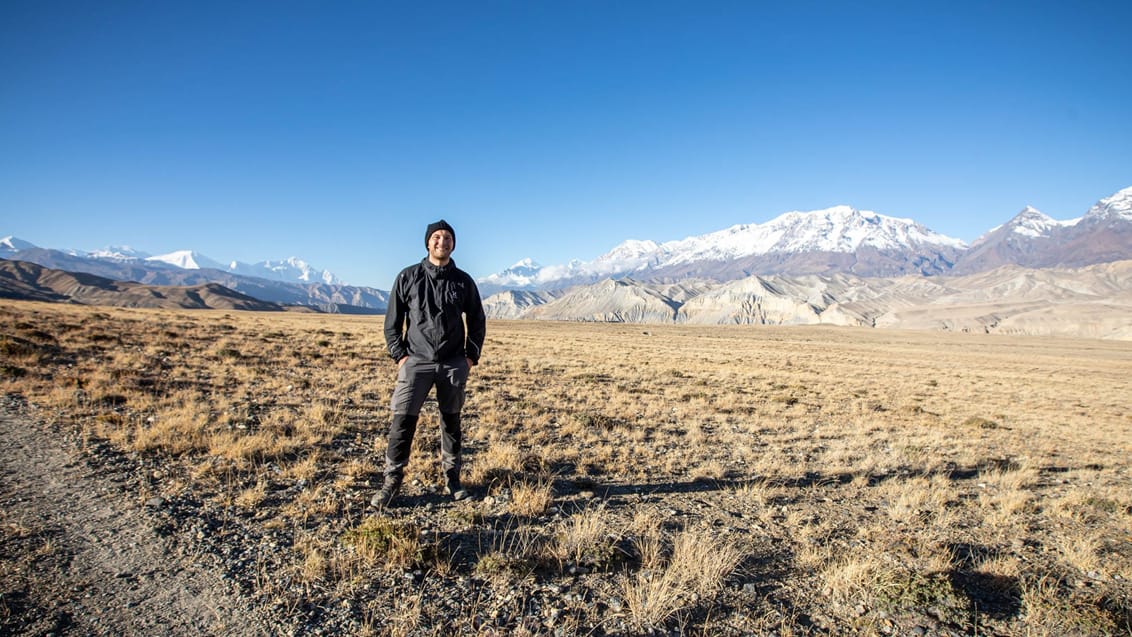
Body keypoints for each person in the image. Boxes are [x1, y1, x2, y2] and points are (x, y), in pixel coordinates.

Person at [372, 219, 486, 509]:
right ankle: (392, 482)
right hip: (416, 363)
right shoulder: (408, 277)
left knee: (451, 421)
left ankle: (453, 478)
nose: (442, 242)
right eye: (437, 237)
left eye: (448, 238)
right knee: (402, 420)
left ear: (453, 244)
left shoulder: (463, 281)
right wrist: (401, 356)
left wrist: (469, 357)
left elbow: (477, 320)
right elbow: (392, 324)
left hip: (452, 364)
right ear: (427, 242)